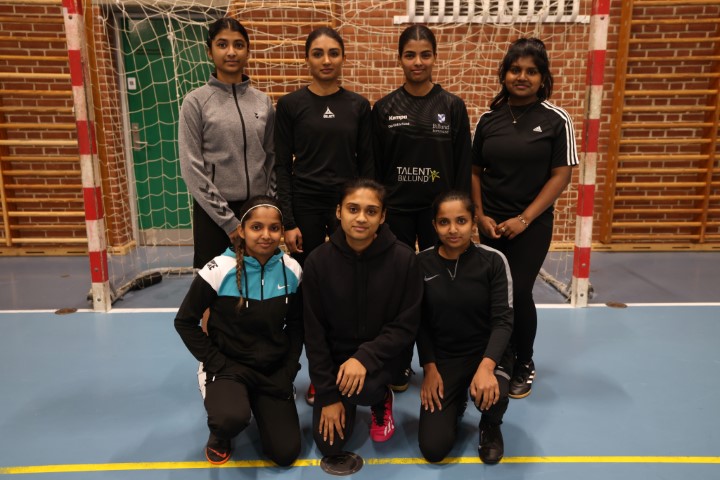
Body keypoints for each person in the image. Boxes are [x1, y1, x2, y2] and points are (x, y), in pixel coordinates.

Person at [471, 37, 578, 399]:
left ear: (542, 78)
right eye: (515, 70)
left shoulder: (556, 120)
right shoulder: (489, 120)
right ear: (504, 74)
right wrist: (480, 216)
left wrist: (524, 218)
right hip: (491, 224)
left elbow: (561, 175)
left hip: (531, 225)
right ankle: (497, 355)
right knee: (492, 293)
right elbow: (474, 171)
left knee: (518, 291)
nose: (522, 77)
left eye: (531, 71)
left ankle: (524, 361)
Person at [274, 27, 374, 406]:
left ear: (343, 57)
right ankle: (316, 374)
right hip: (306, 210)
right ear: (307, 59)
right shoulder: (290, 105)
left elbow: (367, 166)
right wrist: (289, 221)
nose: (326, 60)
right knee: (309, 295)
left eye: (333, 52)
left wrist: (365, 214)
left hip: (349, 211)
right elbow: (281, 166)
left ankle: (348, 367)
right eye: (318, 53)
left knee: (348, 291)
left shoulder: (358, 106)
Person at [372, 24, 472, 391]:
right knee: (396, 291)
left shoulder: (452, 106)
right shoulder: (384, 108)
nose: (418, 62)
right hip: (396, 214)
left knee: (440, 291)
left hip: (439, 219)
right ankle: (398, 362)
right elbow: (374, 170)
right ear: (399, 59)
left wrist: (462, 218)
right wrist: (378, 216)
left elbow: (462, 165)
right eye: (410, 55)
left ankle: (440, 361)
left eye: (425, 54)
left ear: (434, 57)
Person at [174, 196, 302, 466]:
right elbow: (184, 321)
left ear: (281, 231)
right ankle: (221, 430)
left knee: (285, 453)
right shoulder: (219, 269)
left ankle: (256, 399)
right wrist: (214, 361)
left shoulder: (292, 270)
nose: (265, 235)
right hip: (228, 365)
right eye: (256, 227)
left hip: (271, 368)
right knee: (229, 418)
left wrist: (289, 368)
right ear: (241, 230)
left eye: (274, 228)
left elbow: (296, 325)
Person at [303, 178, 422, 457]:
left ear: (383, 216)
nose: (361, 218)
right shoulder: (317, 262)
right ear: (339, 211)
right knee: (329, 447)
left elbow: (406, 326)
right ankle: (343, 394)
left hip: (382, 360)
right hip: (337, 363)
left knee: (364, 389)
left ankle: (381, 398)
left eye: (371, 211)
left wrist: (364, 357)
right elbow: (314, 334)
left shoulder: (405, 260)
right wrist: (328, 395)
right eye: (353, 209)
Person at [416, 191, 514, 464]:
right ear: (434, 225)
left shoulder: (493, 261)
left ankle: (490, 424)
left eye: (461, 220)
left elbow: (503, 320)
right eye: (444, 222)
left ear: (473, 223)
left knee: (494, 394)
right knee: (433, 449)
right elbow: (420, 324)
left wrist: (487, 367)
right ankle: (456, 397)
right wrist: (429, 368)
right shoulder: (420, 263)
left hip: (488, 353)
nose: (453, 229)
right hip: (446, 358)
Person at [179, 17, 275, 269]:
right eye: (222, 45)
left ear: (248, 51)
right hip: (214, 214)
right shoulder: (195, 102)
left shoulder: (263, 102)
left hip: (256, 211)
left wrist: (268, 204)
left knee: (256, 279)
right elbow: (191, 168)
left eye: (238, 45)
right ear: (210, 52)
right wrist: (228, 222)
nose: (231, 52)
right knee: (214, 284)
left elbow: (272, 158)